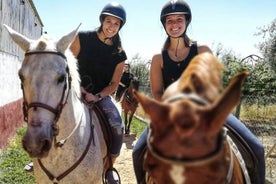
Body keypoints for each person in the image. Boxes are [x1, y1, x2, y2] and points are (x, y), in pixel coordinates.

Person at [132, 0, 265, 184]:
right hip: (170, 116)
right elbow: (157, 93)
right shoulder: (158, 58)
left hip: (205, 113)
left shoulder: (202, 50)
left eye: (179, 19)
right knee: (138, 152)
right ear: (164, 25)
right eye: (169, 21)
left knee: (256, 148)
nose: (174, 24)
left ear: (187, 22)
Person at [69, 2, 127, 183]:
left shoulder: (119, 54)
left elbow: (114, 84)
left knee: (117, 125)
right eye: (109, 21)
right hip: (74, 89)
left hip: (99, 96)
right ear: (102, 21)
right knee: (50, 111)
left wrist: (97, 96)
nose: (112, 26)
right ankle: (40, 156)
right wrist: (79, 88)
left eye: (116, 24)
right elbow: (67, 65)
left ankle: (109, 166)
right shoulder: (82, 38)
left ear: (120, 27)